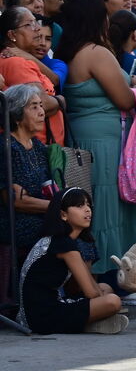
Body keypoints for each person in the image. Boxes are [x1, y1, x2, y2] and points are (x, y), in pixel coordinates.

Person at [58, 0, 136, 276]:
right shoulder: (95, 52)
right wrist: (135, 89)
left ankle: (94, 273)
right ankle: (115, 271)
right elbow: (124, 100)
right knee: (109, 208)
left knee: (89, 208)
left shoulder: (65, 52)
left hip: (81, 140)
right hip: (105, 142)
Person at [19, 189, 127, 334]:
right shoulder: (63, 244)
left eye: (88, 205)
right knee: (112, 301)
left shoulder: (64, 240)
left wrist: (100, 296)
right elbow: (91, 293)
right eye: (79, 206)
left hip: (45, 310)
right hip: (40, 317)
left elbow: (92, 286)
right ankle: (89, 324)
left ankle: (90, 323)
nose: (87, 210)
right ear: (63, 215)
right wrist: (105, 304)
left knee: (105, 287)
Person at [5, 83, 54, 266]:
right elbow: (17, 201)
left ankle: (73, 290)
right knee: (63, 235)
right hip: (17, 221)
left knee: (80, 230)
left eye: (41, 105)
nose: (42, 112)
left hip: (41, 214)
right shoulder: (8, 148)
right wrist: (59, 207)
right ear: (17, 115)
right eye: (34, 107)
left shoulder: (38, 147)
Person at [0, 6, 65, 143]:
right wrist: (60, 101)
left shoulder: (21, 60)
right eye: (29, 24)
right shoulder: (17, 63)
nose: (37, 28)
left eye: (36, 22)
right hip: (35, 148)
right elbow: (43, 105)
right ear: (12, 35)